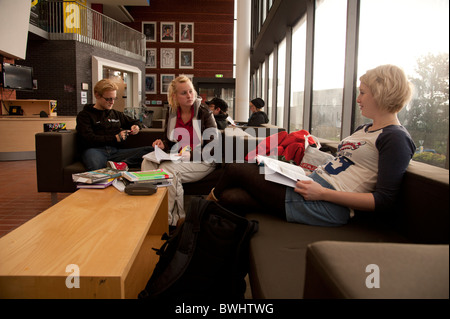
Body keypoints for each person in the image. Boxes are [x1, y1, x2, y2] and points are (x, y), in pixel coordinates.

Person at [207, 64, 416, 227]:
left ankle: (199, 216)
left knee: (235, 169)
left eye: (363, 92)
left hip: (326, 203)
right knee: (230, 197)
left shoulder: (395, 138)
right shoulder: (364, 129)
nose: (358, 98)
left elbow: (384, 200)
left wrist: (323, 193)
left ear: (380, 93)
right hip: (309, 183)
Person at [141, 75, 219, 227]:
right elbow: (168, 140)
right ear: (174, 96)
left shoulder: (204, 113)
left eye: (191, 91)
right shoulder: (172, 113)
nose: (189, 96)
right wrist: (162, 144)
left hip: (202, 160)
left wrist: (192, 154)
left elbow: (213, 146)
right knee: (147, 163)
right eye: (184, 93)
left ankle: (170, 220)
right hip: (178, 157)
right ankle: (149, 212)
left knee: (166, 170)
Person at [76, 79, 153, 171]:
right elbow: (87, 139)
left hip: (116, 152)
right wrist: (114, 138)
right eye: (108, 99)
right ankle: (115, 167)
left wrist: (136, 127)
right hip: (94, 150)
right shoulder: (85, 115)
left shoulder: (116, 114)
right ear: (97, 95)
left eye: (114, 98)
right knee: (94, 165)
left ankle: (123, 164)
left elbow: (135, 121)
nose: (112, 102)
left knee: (151, 151)